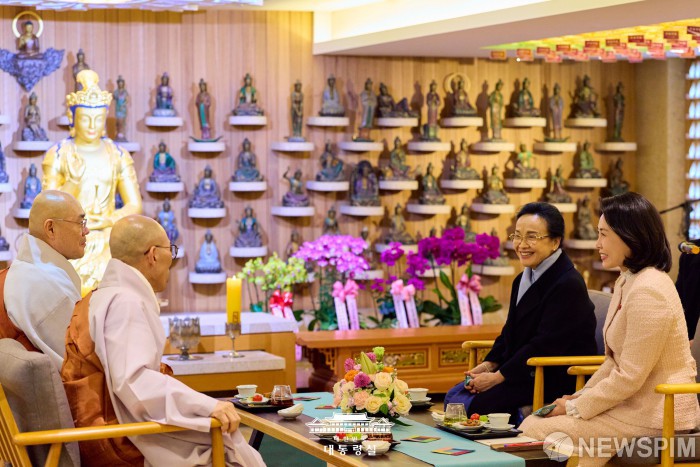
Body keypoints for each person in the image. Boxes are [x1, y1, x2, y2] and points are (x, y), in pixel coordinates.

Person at [61, 215, 264, 466]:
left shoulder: (103, 296)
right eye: (171, 250)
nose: (173, 259)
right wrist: (207, 406)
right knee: (230, 448)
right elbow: (135, 381)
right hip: (122, 439)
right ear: (154, 255)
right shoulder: (125, 303)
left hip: (114, 424)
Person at [521, 193, 700, 466]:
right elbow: (612, 362)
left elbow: (629, 376)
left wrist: (575, 407)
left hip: (658, 416)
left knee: (535, 429)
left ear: (630, 236)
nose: (598, 244)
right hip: (631, 408)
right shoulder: (628, 279)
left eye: (604, 234)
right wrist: (578, 398)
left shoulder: (649, 290)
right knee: (539, 423)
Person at [445, 202, 596, 424]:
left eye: (532, 237)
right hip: (522, 369)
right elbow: (510, 332)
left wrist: (497, 377)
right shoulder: (523, 278)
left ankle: (521, 426)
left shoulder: (568, 284)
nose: (522, 245)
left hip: (551, 375)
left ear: (555, 242)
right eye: (517, 236)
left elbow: (544, 345)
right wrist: (488, 365)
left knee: (474, 406)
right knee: (454, 397)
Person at [43, 70, 143, 292]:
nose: (92, 125)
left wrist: (108, 220)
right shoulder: (58, 154)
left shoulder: (118, 154)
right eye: (85, 118)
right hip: (69, 244)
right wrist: (73, 181)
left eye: (98, 119)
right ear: (72, 118)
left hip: (108, 240)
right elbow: (46, 207)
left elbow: (134, 204)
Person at [1, 190, 86, 369]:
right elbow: (80, 365)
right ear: (51, 229)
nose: (86, 230)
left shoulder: (28, 270)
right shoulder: (46, 285)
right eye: (80, 223)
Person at [113, 75, 129, 142]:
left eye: (121, 83)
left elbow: (127, 100)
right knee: (118, 122)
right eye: (119, 83)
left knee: (122, 122)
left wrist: (123, 104)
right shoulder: (116, 92)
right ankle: (118, 133)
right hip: (118, 108)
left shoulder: (125, 92)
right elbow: (114, 97)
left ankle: (122, 134)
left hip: (123, 109)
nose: (120, 85)